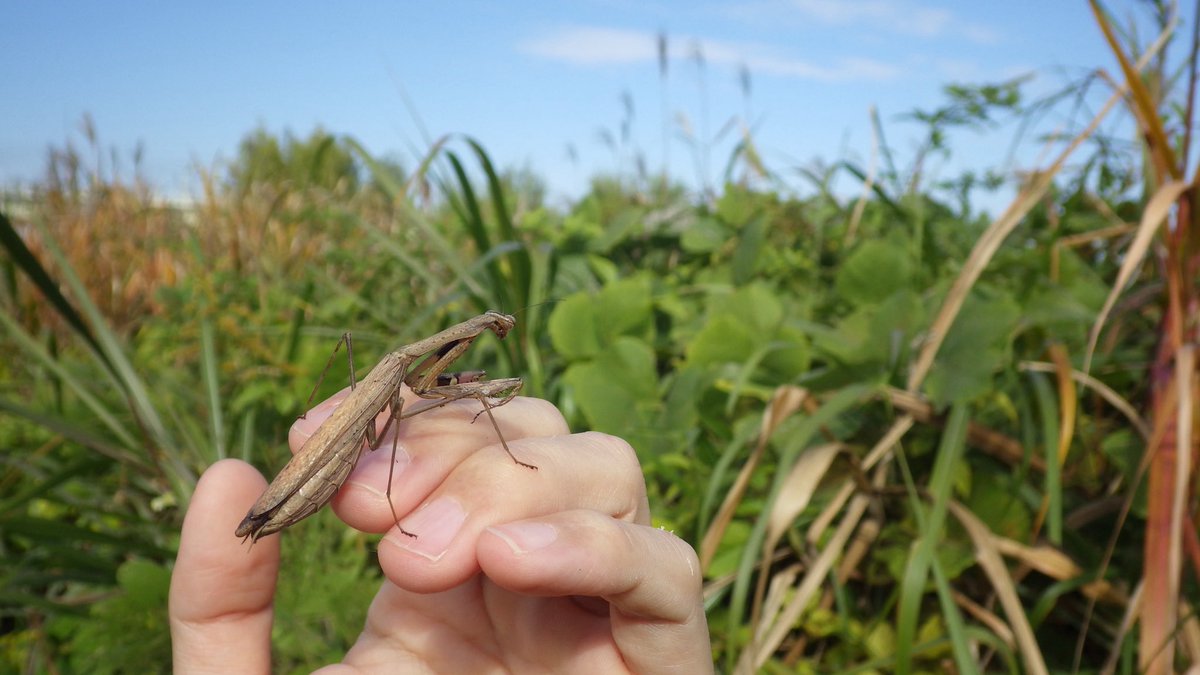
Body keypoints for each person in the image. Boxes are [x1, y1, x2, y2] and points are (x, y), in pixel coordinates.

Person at [169, 385, 713, 673]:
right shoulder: (402, 376)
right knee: (401, 442)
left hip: (349, 454)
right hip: (324, 462)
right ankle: (309, 499)